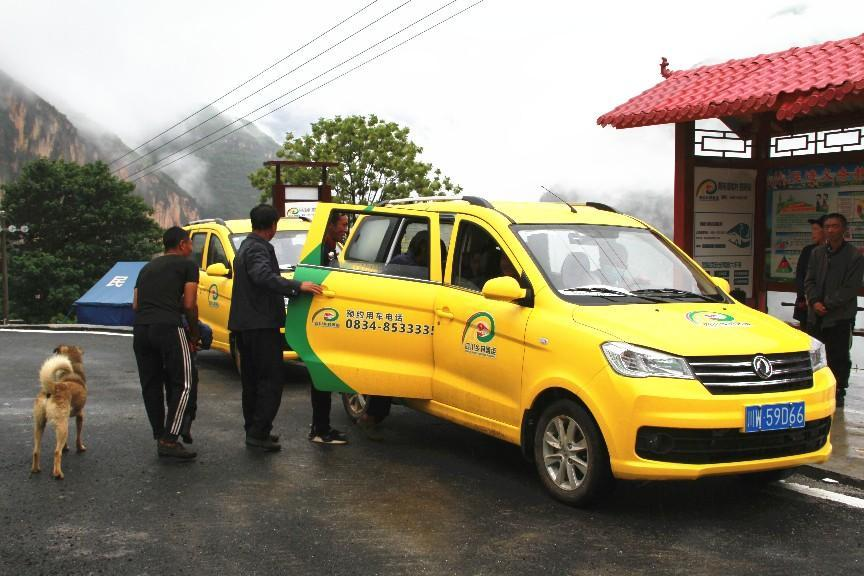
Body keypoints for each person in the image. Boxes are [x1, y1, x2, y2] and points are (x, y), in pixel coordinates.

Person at [229, 204, 323, 451]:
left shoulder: (246, 245)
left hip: (245, 325)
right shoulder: (258, 248)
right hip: (260, 324)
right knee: (270, 380)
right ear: (272, 226)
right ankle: (258, 432)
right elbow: (262, 276)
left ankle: (255, 431)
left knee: (252, 381)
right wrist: (297, 286)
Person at [132, 226, 201, 460]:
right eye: (190, 243)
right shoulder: (188, 265)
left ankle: (159, 433)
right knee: (185, 383)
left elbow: (135, 304)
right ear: (182, 244)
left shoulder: (146, 268)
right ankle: (170, 439)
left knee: (151, 384)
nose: (191, 248)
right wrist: (194, 335)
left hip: (141, 329)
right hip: (169, 327)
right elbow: (190, 304)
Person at [804, 212, 864, 408]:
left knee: (839, 355)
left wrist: (827, 304)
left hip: (840, 316)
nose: (830, 230)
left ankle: (839, 390)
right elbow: (809, 280)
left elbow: (850, 288)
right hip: (815, 315)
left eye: (835, 226)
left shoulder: (854, 256)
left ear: (844, 229)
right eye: (827, 226)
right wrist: (814, 302)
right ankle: (814, 387)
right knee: (814, 354)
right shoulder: (817, 253)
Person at [307, 212, 352, 444]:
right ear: (331, 226)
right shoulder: (321, 252)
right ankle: (320, 430)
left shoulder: (337, 248)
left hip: (333, 321)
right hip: (323, 321)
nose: (345, 228)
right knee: (321, 376)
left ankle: (320, 425)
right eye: (342, 224)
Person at [178, 319, 213, 444]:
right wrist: (205, 345)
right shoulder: (189, 319)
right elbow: (206, 331)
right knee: (190, 393)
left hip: (171, 360)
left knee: (174, 394)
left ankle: (172, 428)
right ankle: (186, 425)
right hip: (189, 358)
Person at [793, 216, 825, 327]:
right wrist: (801, 297)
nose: (813, 233)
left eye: (816, 229)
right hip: (806, 303)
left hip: (828, 306)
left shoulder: (838, 252)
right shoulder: (808, 250)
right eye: (812, 229)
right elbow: (800, 275)